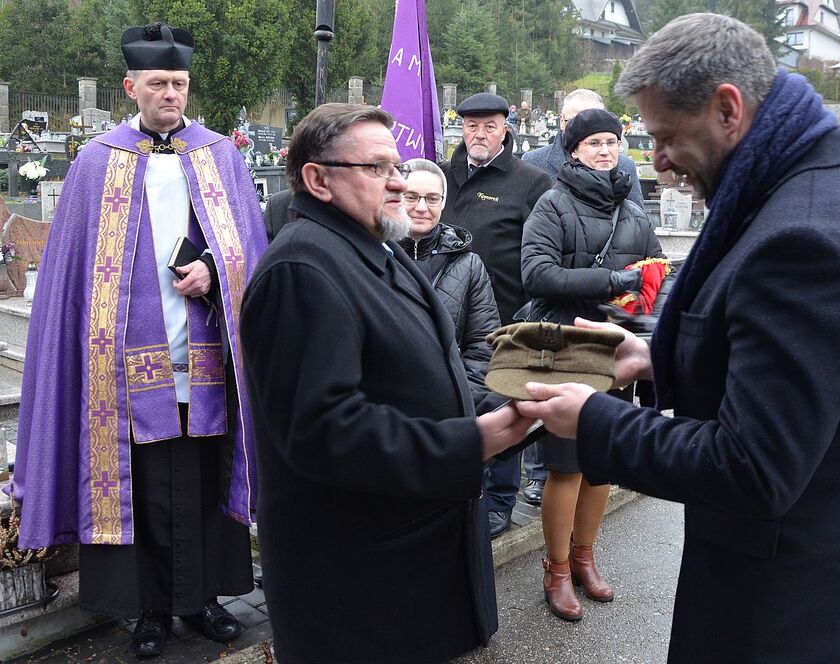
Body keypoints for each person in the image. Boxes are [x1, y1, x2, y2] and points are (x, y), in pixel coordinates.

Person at [516, 13, 840, 662]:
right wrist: (659, 355)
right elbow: (795, 365)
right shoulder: (813, 181)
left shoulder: (806, 239)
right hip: (824, 582)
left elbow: (754, 466)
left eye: (666, 136)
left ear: (728, 109)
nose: (654, 161)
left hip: (798, 616)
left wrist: (594, 420)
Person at [239, 103, 534, 664]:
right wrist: (475, 440)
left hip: (410, 557)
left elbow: (416, 377)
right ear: (316, 179)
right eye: (377, 168)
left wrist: (519, 406)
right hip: (360, 582)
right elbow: (324, 432)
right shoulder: (302, 270)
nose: (398, 182)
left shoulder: (371, 244)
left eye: (395, 165)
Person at [12, 23, 265, 658]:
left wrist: (214, 269)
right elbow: (73, 269)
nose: (170, 94)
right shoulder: (98, 161)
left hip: (205, 351)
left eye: (178, 83)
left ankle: (205, 601)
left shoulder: (220, 156)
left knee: (205, 476)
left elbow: (249, 251)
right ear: (132, 87)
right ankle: (148, 610)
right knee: (141, 481)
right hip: (123, 365)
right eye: (158, 84)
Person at [521, 108, 662, 621]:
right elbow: (536, 274)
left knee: (601, 462)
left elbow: (653, 271)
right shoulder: (553, 204)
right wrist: (612, 282)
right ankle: (556, 568)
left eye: (612, 141)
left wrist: (643, 305)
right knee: (566, 464)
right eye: (594, 142)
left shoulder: (633, 209)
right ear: (574, 149)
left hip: (615, 349)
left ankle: (585, 557)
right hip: (565, 346)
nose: (605, 150)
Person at [439, 92, 551, 538]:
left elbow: (539, 253)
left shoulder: (531, 182)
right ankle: (460, 489)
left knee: (503, 405)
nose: (479, 135)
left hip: (506, 317)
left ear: (506, 128)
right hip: (447, 318)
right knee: (459, 406)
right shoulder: (444, 176)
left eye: (489, 126)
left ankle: (501, 500)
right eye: (471, 126)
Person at [398, 157, 501, 393]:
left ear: (443, 202)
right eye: (411, 197)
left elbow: (483, 345)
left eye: (432, 198)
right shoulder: (375, 255)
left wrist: (460, 399)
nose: (421, 207)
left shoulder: (469, 265)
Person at [522, 91, 645, 225]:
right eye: (576, 120)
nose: (586, 128)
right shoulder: (533, 162)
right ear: (562, 121)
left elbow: (639, 225)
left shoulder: (625, 166)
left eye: (595, 121)